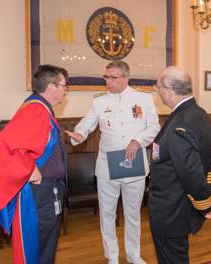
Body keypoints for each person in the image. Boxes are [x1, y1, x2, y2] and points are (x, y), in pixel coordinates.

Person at [66, 60, 160, 264]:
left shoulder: (143, 99)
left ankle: (134, 254)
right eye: (106, 77)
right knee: (107, 214)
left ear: (126, 78)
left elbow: (154, 127)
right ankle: (113, 256)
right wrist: (79, 134)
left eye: (113, 77)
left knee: (133, 214)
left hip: (134, 164)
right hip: (108, 166)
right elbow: (87, 123)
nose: (108, 81)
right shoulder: (99, 101)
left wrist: (138, 141)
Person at [0, 64, 68, 264]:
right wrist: (29, 168)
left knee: (46, 243)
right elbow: (6, 141)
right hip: (40, 193)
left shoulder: (39, 107)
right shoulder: (36, 109)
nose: (65, 91)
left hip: (46, 190)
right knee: (39, 243)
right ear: (51, 87)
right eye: (63, 86)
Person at [148, 66, 211, 264]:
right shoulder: (199, 113)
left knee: (172, 259)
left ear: (169, 91)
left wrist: (204, 202)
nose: (157, 91)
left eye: (158, 86)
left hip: (172, 208)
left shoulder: (182, 121)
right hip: (177, 205)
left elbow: (190, 170)